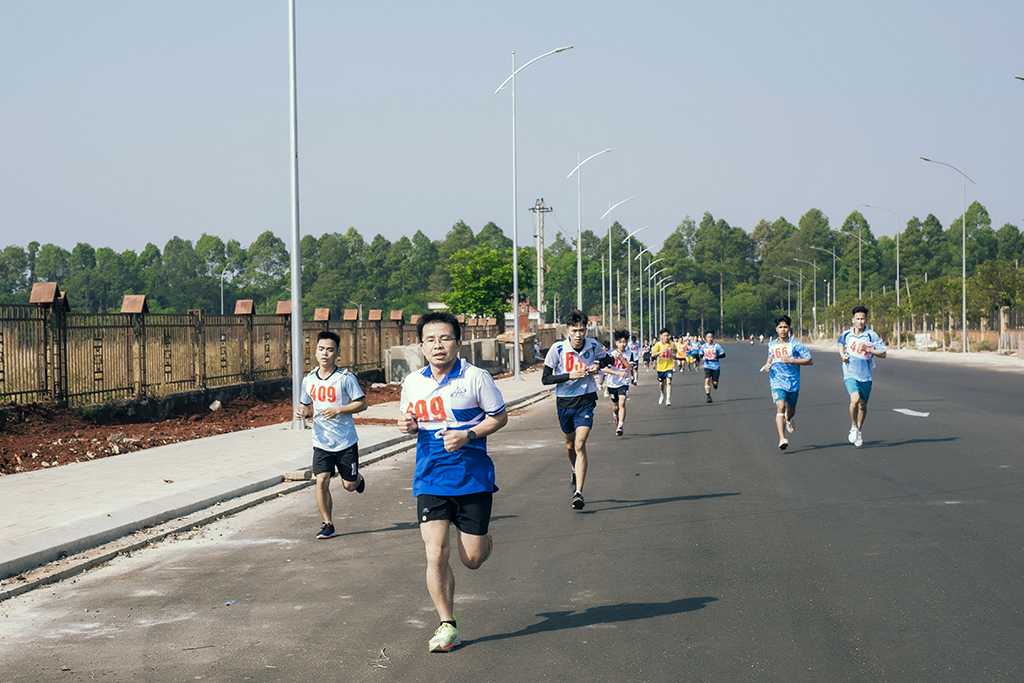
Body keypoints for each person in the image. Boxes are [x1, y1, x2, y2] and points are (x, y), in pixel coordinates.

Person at [398, 311, 508, 652]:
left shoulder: (476, 378)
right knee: (435, 554)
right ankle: (448, 624)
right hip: (430, 478)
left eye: (445, 338)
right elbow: (411, 419)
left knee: (471, 559)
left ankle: (483, 542)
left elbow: (499, 417)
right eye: (430, 340)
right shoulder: (412, 382)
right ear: (421, 346)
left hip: (472, 478)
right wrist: (409, 426)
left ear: (458, 343)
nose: (438, 345)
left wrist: (468, 434)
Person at [542, 310, 626, 510]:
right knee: (570, 445)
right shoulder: (558, 349)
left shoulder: (593, 345)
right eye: (574, 330)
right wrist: (569, 375)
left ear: (586, 330)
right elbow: (546, 379)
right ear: (567, 331)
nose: (578, 334)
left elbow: (609, 360)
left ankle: (578, 493)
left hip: (586, 400)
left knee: (580, 445)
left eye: (581, 330)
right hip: (564, 402)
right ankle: (574, 468)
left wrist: (598, 364)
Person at [295, 331, 369, 540]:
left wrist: (338, 409)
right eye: (321, 349)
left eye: (329, 350)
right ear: (315, 352)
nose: (325, 354)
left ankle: (357, 478)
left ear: (337, 353)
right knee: (321, 480)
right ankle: (328, 524)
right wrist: (301, 412)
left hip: (345, 442)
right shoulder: (309, 380)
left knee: (349, 486)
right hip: (321, 441)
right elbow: (305, 404)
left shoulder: (345, 378)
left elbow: (362, 404)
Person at [838, 305, 887, 448]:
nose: (860, 322)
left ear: (866, 320)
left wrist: (868, 349)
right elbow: (840, 344)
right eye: (858, 319)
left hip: (865, 375)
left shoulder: (871, 335)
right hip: (850, 373)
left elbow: (883, 353)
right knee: (855, 400)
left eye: (863, 319)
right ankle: (853, 426)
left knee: (863, 405)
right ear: (853, 320)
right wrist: (842, 355)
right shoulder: (846, 334)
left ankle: (859, 430)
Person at [762, 315, 813, 450]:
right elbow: (770, 356)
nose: (783, 330)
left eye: (785, 327)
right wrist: (767, 365)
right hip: (777, 381)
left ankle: (789, 419)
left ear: (789, 328)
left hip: (793, 382)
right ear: (776, 329)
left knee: (790, 410)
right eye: (780, 327)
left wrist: (791, 360)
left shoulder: (796, 345)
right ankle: (782, 438)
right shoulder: (772, 344)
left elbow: (810, 360)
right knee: (780, 406)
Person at [607, 330, 634, 436]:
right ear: (616, 343)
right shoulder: (611, 355)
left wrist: (622, 358)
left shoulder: (629, 354)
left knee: (622, 403)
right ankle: (615, 414)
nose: (622, 344)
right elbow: (605, 369)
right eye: (620, 342)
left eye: (624, 342)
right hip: (612, 383)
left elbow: (630, 368)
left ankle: (620, 426)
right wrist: (617, 373)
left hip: (624, 383)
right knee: (616, 406)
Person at [649, 328, 676, 406]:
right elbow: (652, 354)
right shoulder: (658, 344)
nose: (666, 337)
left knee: (669, 382)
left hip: (669, 366)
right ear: (661, 336)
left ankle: (668, 399)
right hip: (660, 367)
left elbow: (675, 350)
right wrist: (661, 351)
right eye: (664, 336)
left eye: (667, 336)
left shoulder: (672, 344)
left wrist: (674, 354)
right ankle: (662, 393)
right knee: (661, 384)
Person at [700, 331, 726, 403]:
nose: (710, 339)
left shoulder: (717, 346)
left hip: (715, 366)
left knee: (715, 383)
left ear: (713, 337)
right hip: (707, 365)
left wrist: (717, 356)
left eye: (711, 337)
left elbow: (723, 354)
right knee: (707, 380)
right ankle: (708, 396)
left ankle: (714, 383)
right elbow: (701, 354)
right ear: (706, 338)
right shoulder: (703, 346)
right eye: (708, 337)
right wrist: (702, 357)